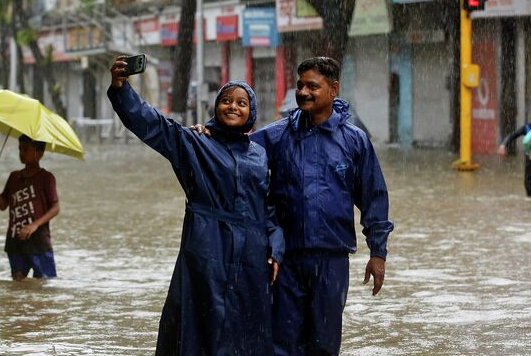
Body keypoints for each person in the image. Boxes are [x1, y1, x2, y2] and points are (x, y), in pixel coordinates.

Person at [196, 57, 393, 355]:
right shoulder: (277, 136)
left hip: (332, 260)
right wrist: (209, 133)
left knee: (324, 344)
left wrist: (378, 253)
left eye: (313, 86)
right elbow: (235, 149)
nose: (303, 92)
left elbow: (374, 198)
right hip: (285, 261)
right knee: (282, 344)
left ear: (333, 89)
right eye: (300, 85)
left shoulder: (355, 141)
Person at [107, 57, 284, 356]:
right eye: (226, 101)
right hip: (206, 247)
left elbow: (268, 209)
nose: (232, 107)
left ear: (251, 112)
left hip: (251, 253)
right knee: (199, 323)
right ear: (216, 107)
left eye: (241, 103)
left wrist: (275, 248)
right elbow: (153, 125)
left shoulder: (259, 155)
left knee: (246, 329)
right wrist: (121, 89)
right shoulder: (195, 143)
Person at [0, 134, 60, 281]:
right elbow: (3, 205)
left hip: (38, 242)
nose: (22, 153)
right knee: (18, 285)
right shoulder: (14, 177)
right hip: (15, 240)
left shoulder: (46, 178)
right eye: (20, 149)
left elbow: (55, 208)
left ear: (39, 153)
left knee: (45, 284)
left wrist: (34, 225)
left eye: (26, 149)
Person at [497, 106, 531, 197]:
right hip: (530, 162)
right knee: (529, 187)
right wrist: (503, 145)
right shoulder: (528, 127)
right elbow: (514, 135)